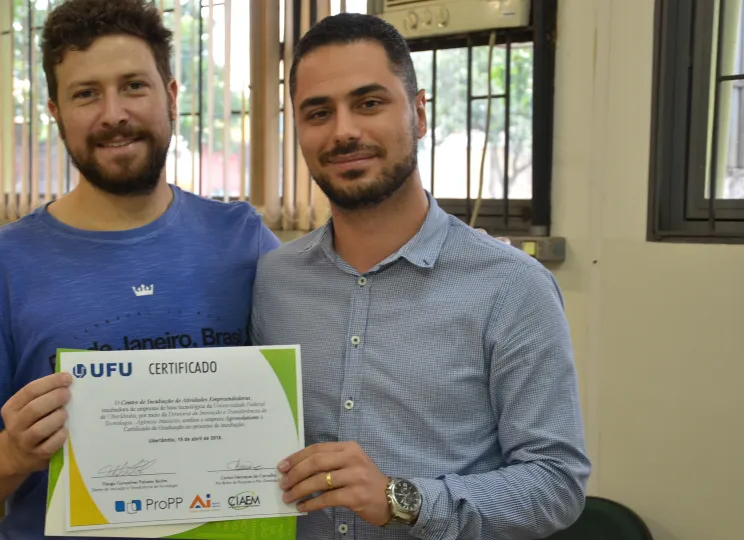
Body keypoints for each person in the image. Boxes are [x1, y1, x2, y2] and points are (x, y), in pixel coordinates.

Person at [0, 1, 281, 538]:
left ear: (172, 95)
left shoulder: (244, 240)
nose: (113, 113)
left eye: (134, 85)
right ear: (55, 111)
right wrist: (13, 450)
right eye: (86, 93)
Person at [250, 13, 591, 540]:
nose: (344, 131)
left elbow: (556, 483)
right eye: (318, 112)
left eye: (369, 103)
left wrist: (400, 499)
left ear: (419, 112)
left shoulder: (512, 286)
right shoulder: (273, 280)